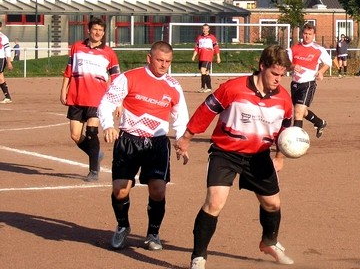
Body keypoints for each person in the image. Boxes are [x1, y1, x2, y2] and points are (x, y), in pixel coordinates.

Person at [175, 45, 295, 269]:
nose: (279, 79)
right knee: (214, 202)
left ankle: (269, 242)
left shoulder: (284, 100)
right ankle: (198, 257)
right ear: (262, 67)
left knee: (272, 204)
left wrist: (280, 157)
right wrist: (187, 137)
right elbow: (206, 110)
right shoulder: (233, 88)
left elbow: (286, 131)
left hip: (258, 156)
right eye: (274, 74)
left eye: (282, 75)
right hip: (225, 153)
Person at [97, 41, 190, 252]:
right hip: (129, 140)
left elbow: (180, 116)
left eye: (167, 61)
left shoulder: (174, 86)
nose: (163, 65)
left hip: (157, 143)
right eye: (159, 60)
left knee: (157, 190)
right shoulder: (129, 77)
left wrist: (181, 141)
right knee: (120, 190)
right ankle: (122, 226)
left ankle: (153, 233)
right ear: (149, 58)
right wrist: (108, 126)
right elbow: (106, 103)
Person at [61, 17, 120, 182]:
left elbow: (116, 78)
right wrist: (63, 90)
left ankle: (93, 170)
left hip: (97, 99)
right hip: (76, 97)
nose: (98, 33)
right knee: (75, 135)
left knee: (92, 132)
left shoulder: (109, 53)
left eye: (101, 31)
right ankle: (96, 154)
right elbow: (68, 71)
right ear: (89, 30)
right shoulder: (77, 48)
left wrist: (118, 102)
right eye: (95, 30)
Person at [287, 22, 331, 137]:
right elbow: (286, 64)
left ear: (314, 35)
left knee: (297, 112)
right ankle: (319, 122)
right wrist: (292, 66)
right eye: (305, 33)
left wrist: (321, 72)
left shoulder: (318, 49)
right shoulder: (294, 49)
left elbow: (328, 63)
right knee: (301, 111)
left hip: (308, 84)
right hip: (295, 84)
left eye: (310, 34)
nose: (307, 36)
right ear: (302, 33)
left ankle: (296, 139)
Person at [192, 23, 221, 93]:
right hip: (201, 56)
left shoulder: (212, 37)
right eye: (203, 29)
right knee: (206, 72)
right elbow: (196, 47)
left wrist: (218, 57)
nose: (205, 30)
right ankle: (209, 87)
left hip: (208, 56)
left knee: (203, 71)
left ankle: (202, 87)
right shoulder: (199, 37)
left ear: (208, 29)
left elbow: (216, 47)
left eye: (206, 29)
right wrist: (194, 56)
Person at [0, 21, 13, 103]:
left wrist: (9, 62)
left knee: (0, 77)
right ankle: (7, 97)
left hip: (0, 59)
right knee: (1, 78)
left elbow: (7, 51)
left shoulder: (3, 38)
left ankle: (7, 97)